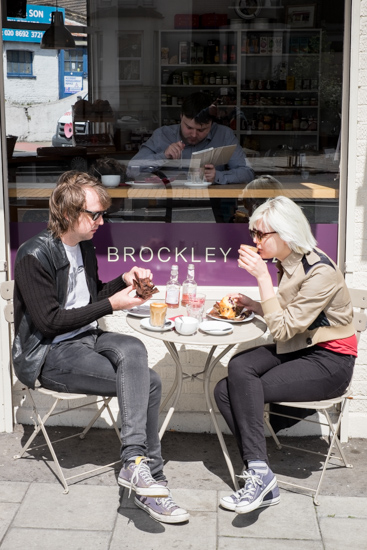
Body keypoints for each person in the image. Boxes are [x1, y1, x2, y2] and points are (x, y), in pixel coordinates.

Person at [12, 170, 189, 525]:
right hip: (51, 353)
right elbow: (49, 322)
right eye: (94, 215)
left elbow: (87, 299)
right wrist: (113, 305)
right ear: (67, 214)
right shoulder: (34, 255)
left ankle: (135, 466)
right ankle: (149, 478)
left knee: (135, 349)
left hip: (87, 338)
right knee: (149, 383)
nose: (101, 221)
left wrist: (122, 283)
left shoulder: (84, 246)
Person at [214, 196, 357, 514]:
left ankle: (258, 475)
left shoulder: (321, 272)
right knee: (232, 378)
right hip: (302, 347)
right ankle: (260, 470)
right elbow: (289, 320)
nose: (255, 241)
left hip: (331, 362)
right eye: (253, 234)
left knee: (234, 389)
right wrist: (255, 304)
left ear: (286, 233)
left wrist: (262, 280)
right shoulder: (288, 262)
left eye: (261, 235)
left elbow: (283, 331)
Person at [128, 92, 255, 222]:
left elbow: (247, 173)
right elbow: (132, 169)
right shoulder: (163, 135)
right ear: (181, 116)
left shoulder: (224, 135)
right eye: (189, 127)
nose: (194, 134)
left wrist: (217, 176)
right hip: (167, 209)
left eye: (201, 130)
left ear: (211, 123)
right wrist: (163, 156)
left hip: (215, 210)